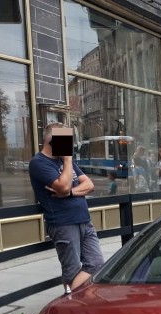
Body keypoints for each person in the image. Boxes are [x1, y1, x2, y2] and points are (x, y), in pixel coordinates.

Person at [29, 122, 104, 295]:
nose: (70, 145)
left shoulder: (64, 162)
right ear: (52, 141)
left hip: (84, 220)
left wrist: (70, 192)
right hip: (63, 223)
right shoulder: (39, 163)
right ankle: (69, 305)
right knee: (72, 273)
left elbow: (89, 185)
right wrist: (68, 160)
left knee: (97, 264)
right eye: (66, 140)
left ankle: (75, 301)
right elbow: (61, 186)